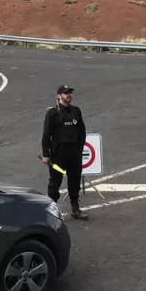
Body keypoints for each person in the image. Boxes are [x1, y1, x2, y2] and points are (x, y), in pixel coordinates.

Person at [42, 84, 88, 220]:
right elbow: (46, 134)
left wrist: (80, 148)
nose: (69, 95)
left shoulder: (76, 111)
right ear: (59, 96)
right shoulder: (52, 113)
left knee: (74, 180)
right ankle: (51, 210)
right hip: (58, 153)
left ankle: (75, 209)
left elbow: (82, 131)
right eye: (66, 93)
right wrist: (46, 154)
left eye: (70, 92)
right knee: (55, 181)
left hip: (74, 152)